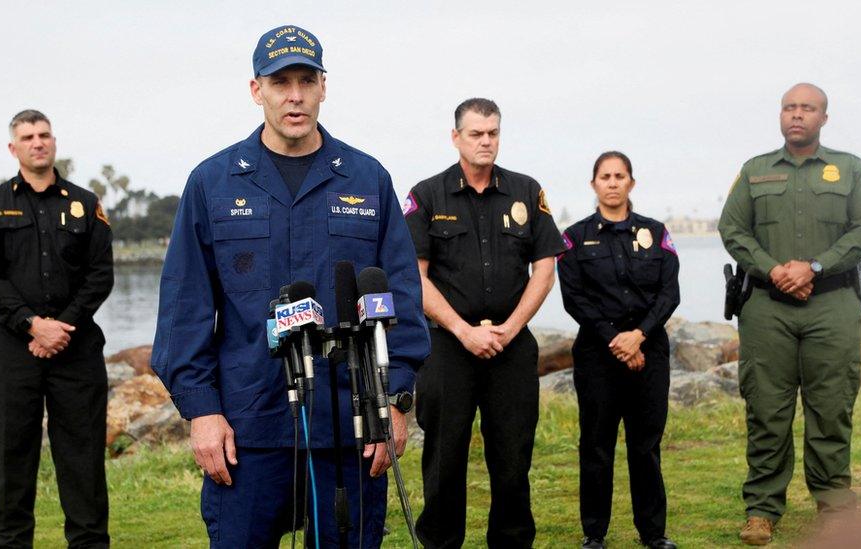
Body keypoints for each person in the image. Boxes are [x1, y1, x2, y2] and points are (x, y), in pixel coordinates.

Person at [151, 25, 429, 548]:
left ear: (325, 86)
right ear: (257, 90)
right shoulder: (213, 183)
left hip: (348, 426)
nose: (294, 96)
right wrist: (201, 410)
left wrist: (394, 402)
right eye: (281, 82)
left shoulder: (368, 181)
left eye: (306, 80)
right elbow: (185, 309)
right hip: (247, 429)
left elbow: (402, 302)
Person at [404, 98, 565, 548]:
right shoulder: (427, 195)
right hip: (447, 349)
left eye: (493, 132)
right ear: (456, 137)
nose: (486, 141)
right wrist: (462, 330)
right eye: (476, 133)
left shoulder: (526, 191)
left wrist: (510, 329)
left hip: (510, 349)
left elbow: (546, 269)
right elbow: (413, 279)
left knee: (513, 462)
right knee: (443, 461)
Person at [719, 83, 861, 546]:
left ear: (824, 118)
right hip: (768, 307)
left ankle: (834, 508)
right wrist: (773, 270)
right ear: (780, 115)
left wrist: (815, 267)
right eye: (789, 107)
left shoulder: (850, 169)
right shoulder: (755, 171)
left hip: (833, 303)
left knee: (831, 407)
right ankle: (762, 510)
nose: (797, 115)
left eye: (808, 108)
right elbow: (732, 227)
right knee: (767, 408)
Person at [0, 109, 114, 548]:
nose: (38, 142)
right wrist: (33, 326)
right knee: (11, 463)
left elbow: (99, 275)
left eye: (45, 134)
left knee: (84, 462)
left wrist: (61, 327)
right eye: (28, 136)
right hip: (12, 350)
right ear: (13, 148)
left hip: (76, 348)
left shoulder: (86, 203)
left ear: (54, 142)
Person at [557, 151, 680, 549]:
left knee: (645, 444)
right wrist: (617, 339)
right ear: (593, 184)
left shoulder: (657, 231)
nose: (612, 182)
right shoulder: (573, 238)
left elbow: (669, 292)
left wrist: (639, 336)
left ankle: (653, 533)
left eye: (620, 175)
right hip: (597, 355)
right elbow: (575, 299)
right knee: (596, 445)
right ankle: (594, 533)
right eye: (605, 176)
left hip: (649, 352)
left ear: (632, 182)